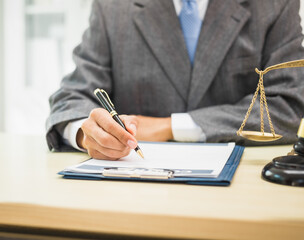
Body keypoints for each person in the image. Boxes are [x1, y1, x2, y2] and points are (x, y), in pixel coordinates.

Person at [46, 0, 304, 160]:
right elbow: (72, 96)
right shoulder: (112, 7)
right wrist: (86, 133)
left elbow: (287, 106)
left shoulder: (274, 5)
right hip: (130, 189)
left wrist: (169, 126)